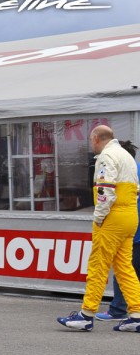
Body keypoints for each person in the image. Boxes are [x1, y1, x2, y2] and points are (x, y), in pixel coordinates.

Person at [58, 126, 140, 331]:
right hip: (130, 216)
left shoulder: (106, 157)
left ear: (96, 139)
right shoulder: (126, 156)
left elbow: (105, 191)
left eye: (90, 140)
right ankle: (137, 314)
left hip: (112, 217)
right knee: (124, 267)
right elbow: (135, 189)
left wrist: (99, 217)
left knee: (98, 266)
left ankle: (86, 315)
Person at [96, 141, 140, 321]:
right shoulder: (134, 169)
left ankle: (118, 310)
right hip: (133, 226)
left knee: (123, 269)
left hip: (130, 228)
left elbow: (107, 195)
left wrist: (99, 218)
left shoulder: (122, 171)